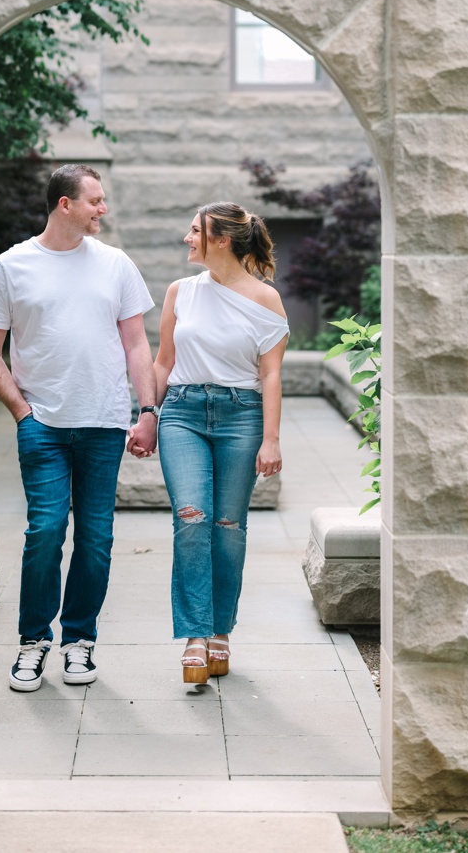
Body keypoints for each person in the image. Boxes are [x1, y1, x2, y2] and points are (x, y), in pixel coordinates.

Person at [0, 164, 159, 693]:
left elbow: (137, 344)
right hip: (44, 425)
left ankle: (80, 643)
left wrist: (147, 412)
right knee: (45, 532)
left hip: (103, 423)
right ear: (65, 205)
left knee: (96, 540)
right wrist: (21, 412)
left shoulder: (116, 265)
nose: (103, 209)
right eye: (95, 201)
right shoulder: (11, 266)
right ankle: (33, 643)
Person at [152, 202, 288, 685]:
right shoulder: (179, 292)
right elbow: (163, 362)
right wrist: (149, 414)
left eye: (195, 231)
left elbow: (271, 374)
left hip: (241, 418)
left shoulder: (266, 300)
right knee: (192, 519)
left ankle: (220, 633)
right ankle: (194, 635)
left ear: (222, 240)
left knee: (228, 527)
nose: (187, 238)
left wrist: (271, 439)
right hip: (183, 414)